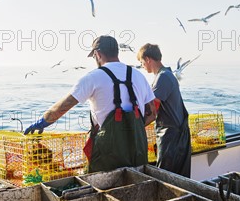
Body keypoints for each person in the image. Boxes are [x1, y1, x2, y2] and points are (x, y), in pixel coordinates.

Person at [25, 35, 157, 172]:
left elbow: (61, 108)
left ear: (97, 54)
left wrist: (42, 122)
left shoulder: (92, 77)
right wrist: (132, 130)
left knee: (105, 187)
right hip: (138, 148)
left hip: (109, 153)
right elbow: (153, 114)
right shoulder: (139, 76)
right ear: (116, 52)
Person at [137, 43, 191, 177]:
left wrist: (135, 128)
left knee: (166, 179)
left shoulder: (163, 77)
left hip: (172, 139)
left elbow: (152, 111)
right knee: (178, 179)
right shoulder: (166, 75)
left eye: (142, 62)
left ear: (148, 59)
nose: (142, 66)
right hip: (176, 136)